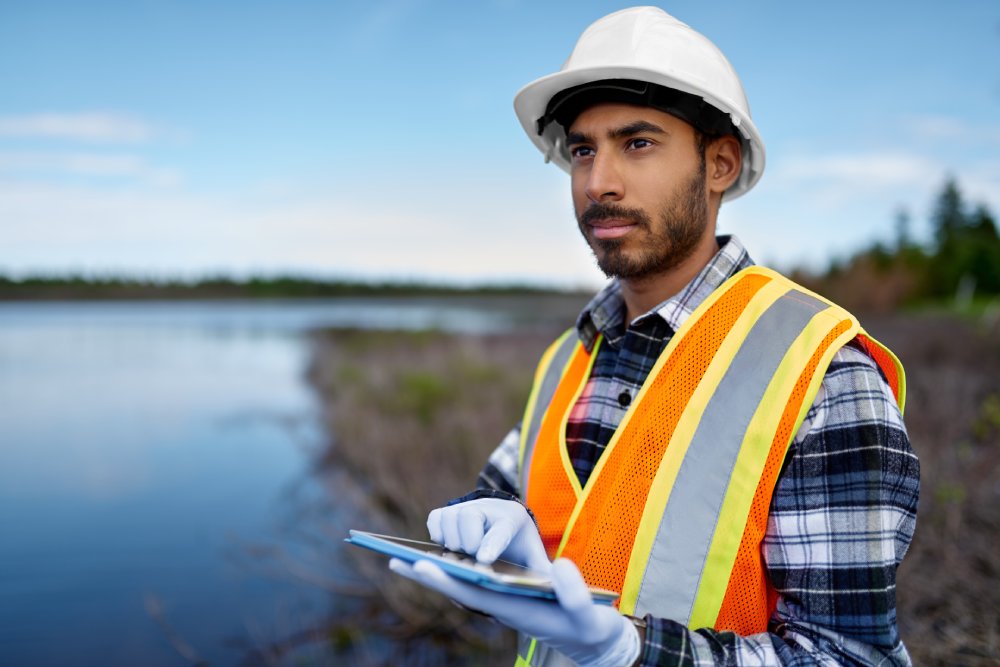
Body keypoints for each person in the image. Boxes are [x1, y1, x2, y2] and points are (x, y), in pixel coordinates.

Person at [390, 6, 919, 666]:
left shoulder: (822, 369)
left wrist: (633, 651)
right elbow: (501, 505)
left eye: (637, 143)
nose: (597, 182)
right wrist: (479, 538)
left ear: (720, 163)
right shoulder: (568, 357)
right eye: (583, 149)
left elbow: (850, 656)